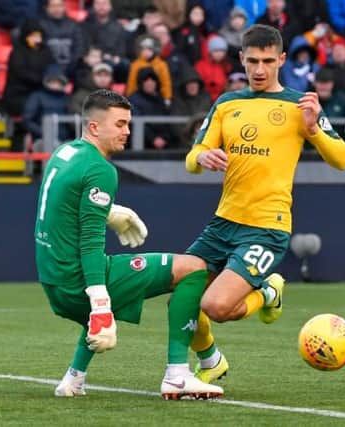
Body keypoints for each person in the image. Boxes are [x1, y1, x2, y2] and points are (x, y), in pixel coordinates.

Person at [182, 24, 345, 382]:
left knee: (215, 306)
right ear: (241, 59)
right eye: (253, 61)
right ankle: (212, 362)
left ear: (282, 60)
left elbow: (342, 159)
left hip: (266, 226)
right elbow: (192, 157)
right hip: (223, 222)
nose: (260, 69)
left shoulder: (300, 104)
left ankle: (268, 290)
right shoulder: (227, 104)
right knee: (182, 301)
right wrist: (203, 158)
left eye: (268, 61)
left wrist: (314, 129)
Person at [35, 89, 223, 400]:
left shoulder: (64, 153)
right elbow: (90, 241)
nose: (127, 132)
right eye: (120, 124)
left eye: (128, 124)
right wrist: (99, 304)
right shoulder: (100, 169)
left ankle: (74, 378)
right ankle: (178, 376)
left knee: (116, 283)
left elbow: (61, 208)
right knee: (193, 268)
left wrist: (107, 211)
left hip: (52, 279)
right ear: (95, 127)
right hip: (77, 280)